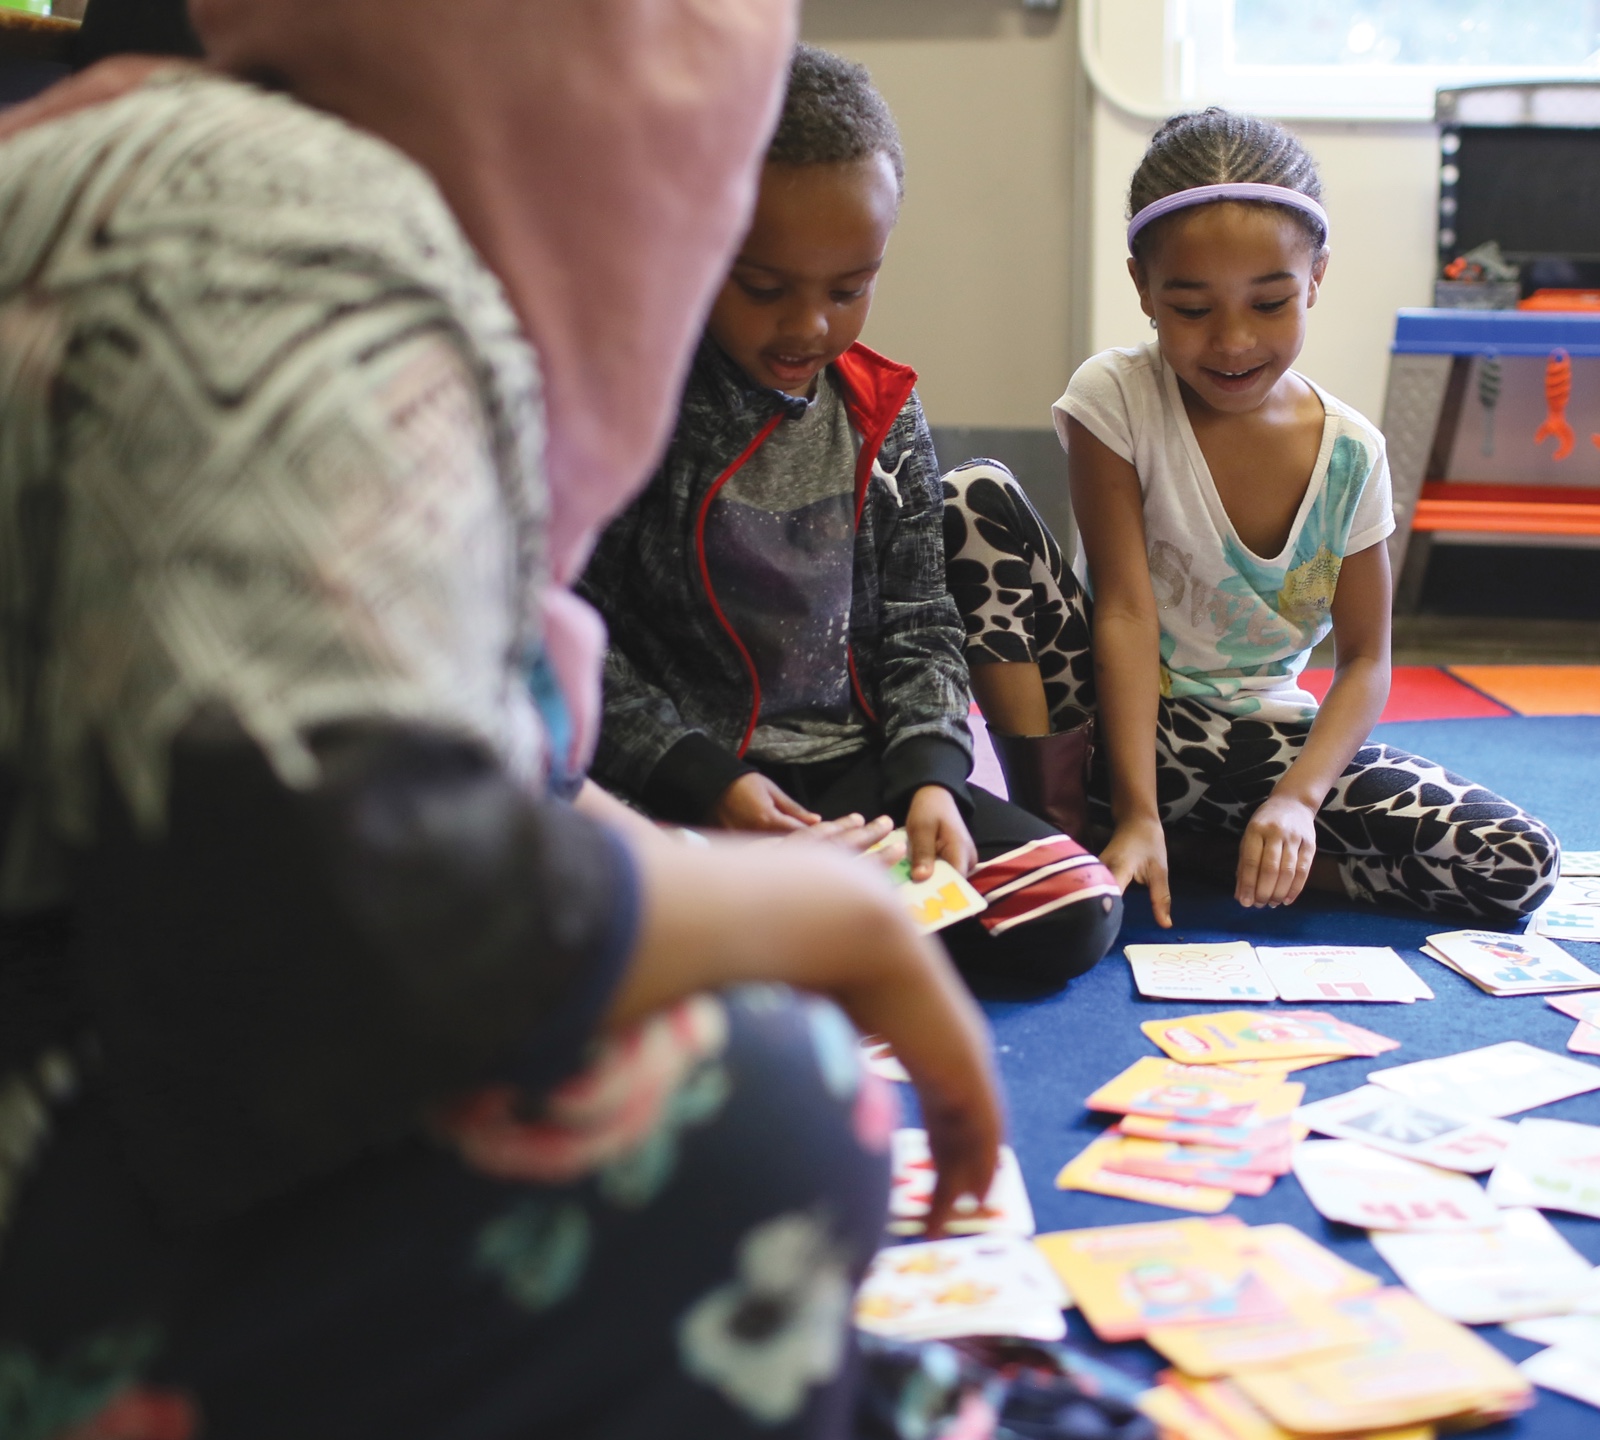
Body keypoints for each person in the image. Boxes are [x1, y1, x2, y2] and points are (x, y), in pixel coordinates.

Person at [0, 6, 1005, 1437]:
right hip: (71, 1148)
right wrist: (793, 917)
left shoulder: (251, 175)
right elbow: (318, 882)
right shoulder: (291, 238)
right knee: (771, 1109)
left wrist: (733, 878)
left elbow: (480, 750)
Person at [579, 45, 1121, 989]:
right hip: (696, 791)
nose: (808, 329)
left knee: (1075, 905)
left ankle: (780, 934)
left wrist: (929, 778)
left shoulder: (880, 410)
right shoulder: (635, 411)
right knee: (578, 895)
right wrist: (716, 784)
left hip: (861, 785)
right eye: (764, 287)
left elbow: (921, 620)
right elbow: (586, 651)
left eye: (848, 289)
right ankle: (785, 922)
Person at [945, 107, 1559, 929]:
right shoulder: (1116, 395)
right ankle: (1070, 832)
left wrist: (1299, 804)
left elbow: (1369, 659)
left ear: (1315, 278)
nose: (1233, 342)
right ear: (1144, 289)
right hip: (1106, 725)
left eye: (1269, 303)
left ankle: (1215, 853)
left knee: (1516, 862)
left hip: (1262, 751)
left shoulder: (1353, 455)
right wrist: (1136, 807)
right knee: (971, 496)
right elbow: (1125, 608)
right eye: (1192, 309)